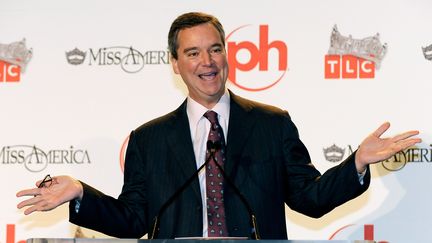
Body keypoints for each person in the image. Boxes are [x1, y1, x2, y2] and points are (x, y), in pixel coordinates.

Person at [16, 12, 421, 239]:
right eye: (192, 53)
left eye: (215, 49)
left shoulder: (271, 125)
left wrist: (356, 164)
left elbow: (309, 200)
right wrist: (80, 193)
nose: (206, 62)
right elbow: (135, 220)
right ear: (176, 64)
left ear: (228, 56)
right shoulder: (149, 140)